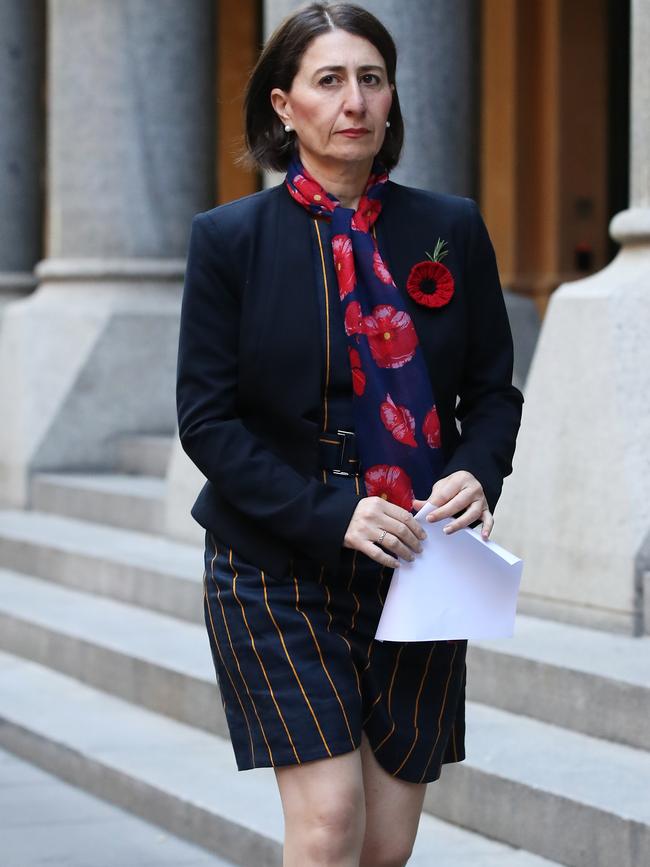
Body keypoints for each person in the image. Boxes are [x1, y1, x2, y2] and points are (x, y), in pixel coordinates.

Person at [176, 3, 523, 864]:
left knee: (387, 844)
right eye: (328, 81)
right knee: (330, 824)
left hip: (419, 556)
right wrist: (334, 512)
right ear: (284, 105)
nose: (354, 100)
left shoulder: (450, 227)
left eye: (370, 78)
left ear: (393, 97)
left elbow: (492, 396)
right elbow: (207, 422)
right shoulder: (228, 241)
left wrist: (478, 470)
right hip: (274, 558)